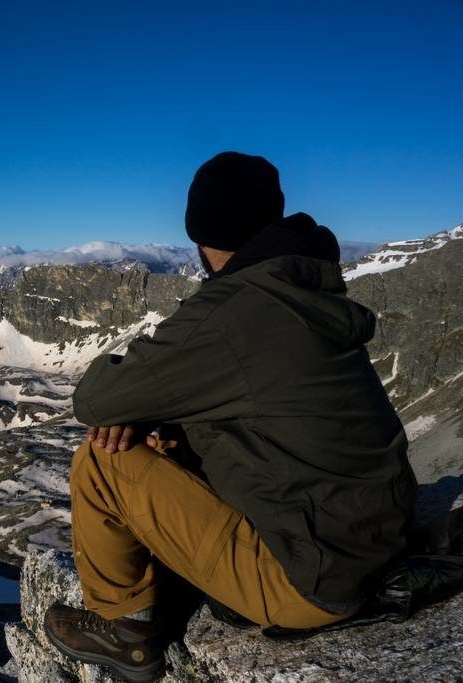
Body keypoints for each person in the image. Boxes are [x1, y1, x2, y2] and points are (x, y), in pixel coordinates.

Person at [43, 151, 417, 682]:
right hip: (374, 541)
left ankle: (124, 631)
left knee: (103, 461)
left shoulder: (231, 312)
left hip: (312, 582)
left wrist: (138, 407)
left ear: (201, 236)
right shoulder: (301, 290)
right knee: (172, 441)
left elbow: (96, 400)